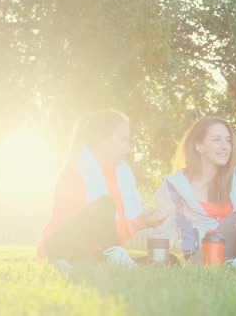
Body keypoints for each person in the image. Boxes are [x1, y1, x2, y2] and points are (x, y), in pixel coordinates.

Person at [37, 109, 169, 268]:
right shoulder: (78, 169)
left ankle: (113, 259)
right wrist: (140, 222)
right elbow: (97, 230)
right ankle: (112, 258)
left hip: (92, 253)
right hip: (61, 248)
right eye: (123, 140)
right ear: (101, 138)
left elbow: (112, 232)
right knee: (104, 205)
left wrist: (144, 220)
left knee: (168, 260)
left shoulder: (120, 174)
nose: (128, 149)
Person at [151, 116, 236, 261]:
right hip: (204, 255)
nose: (225, 146)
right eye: (217, 140)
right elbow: (162, 232)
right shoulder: (173, 185)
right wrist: (157, 260)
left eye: (228, 140)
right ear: (198, 145)